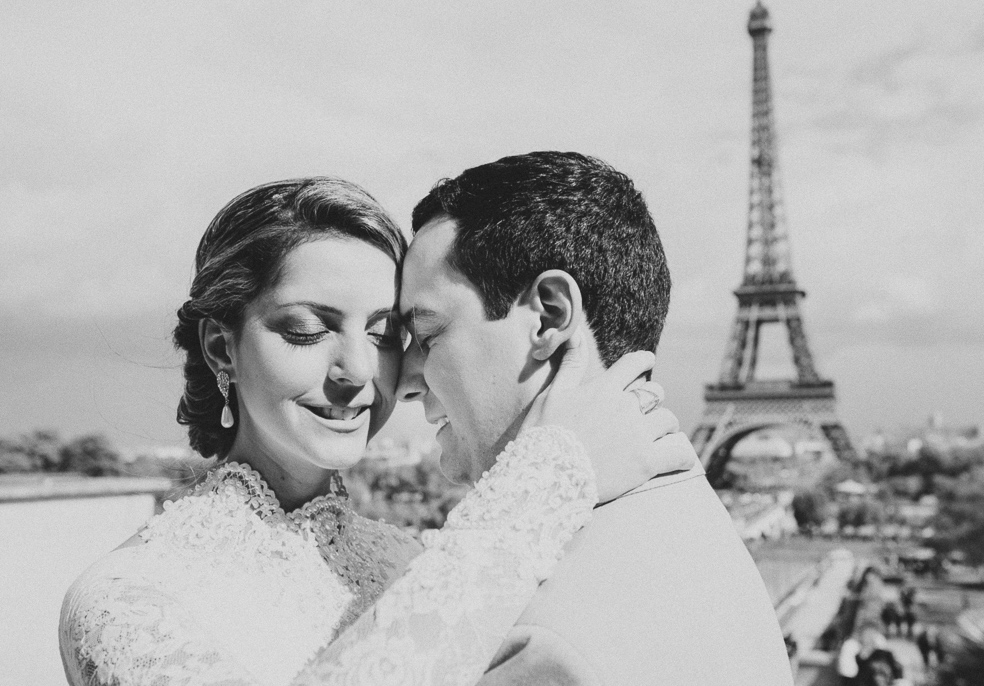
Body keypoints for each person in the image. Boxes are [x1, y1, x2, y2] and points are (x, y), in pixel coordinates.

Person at [59, 177, 688, 686]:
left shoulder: (416, 564)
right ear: (222, 348)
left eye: (385, 335)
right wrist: (547, 481)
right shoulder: (126, 600)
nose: (359, 372)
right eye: (308, 330)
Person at [388, 152, 794, 685]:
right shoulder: (687, 528)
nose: (405, 382)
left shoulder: (542, 633)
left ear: (549, 316)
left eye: (428, 335)